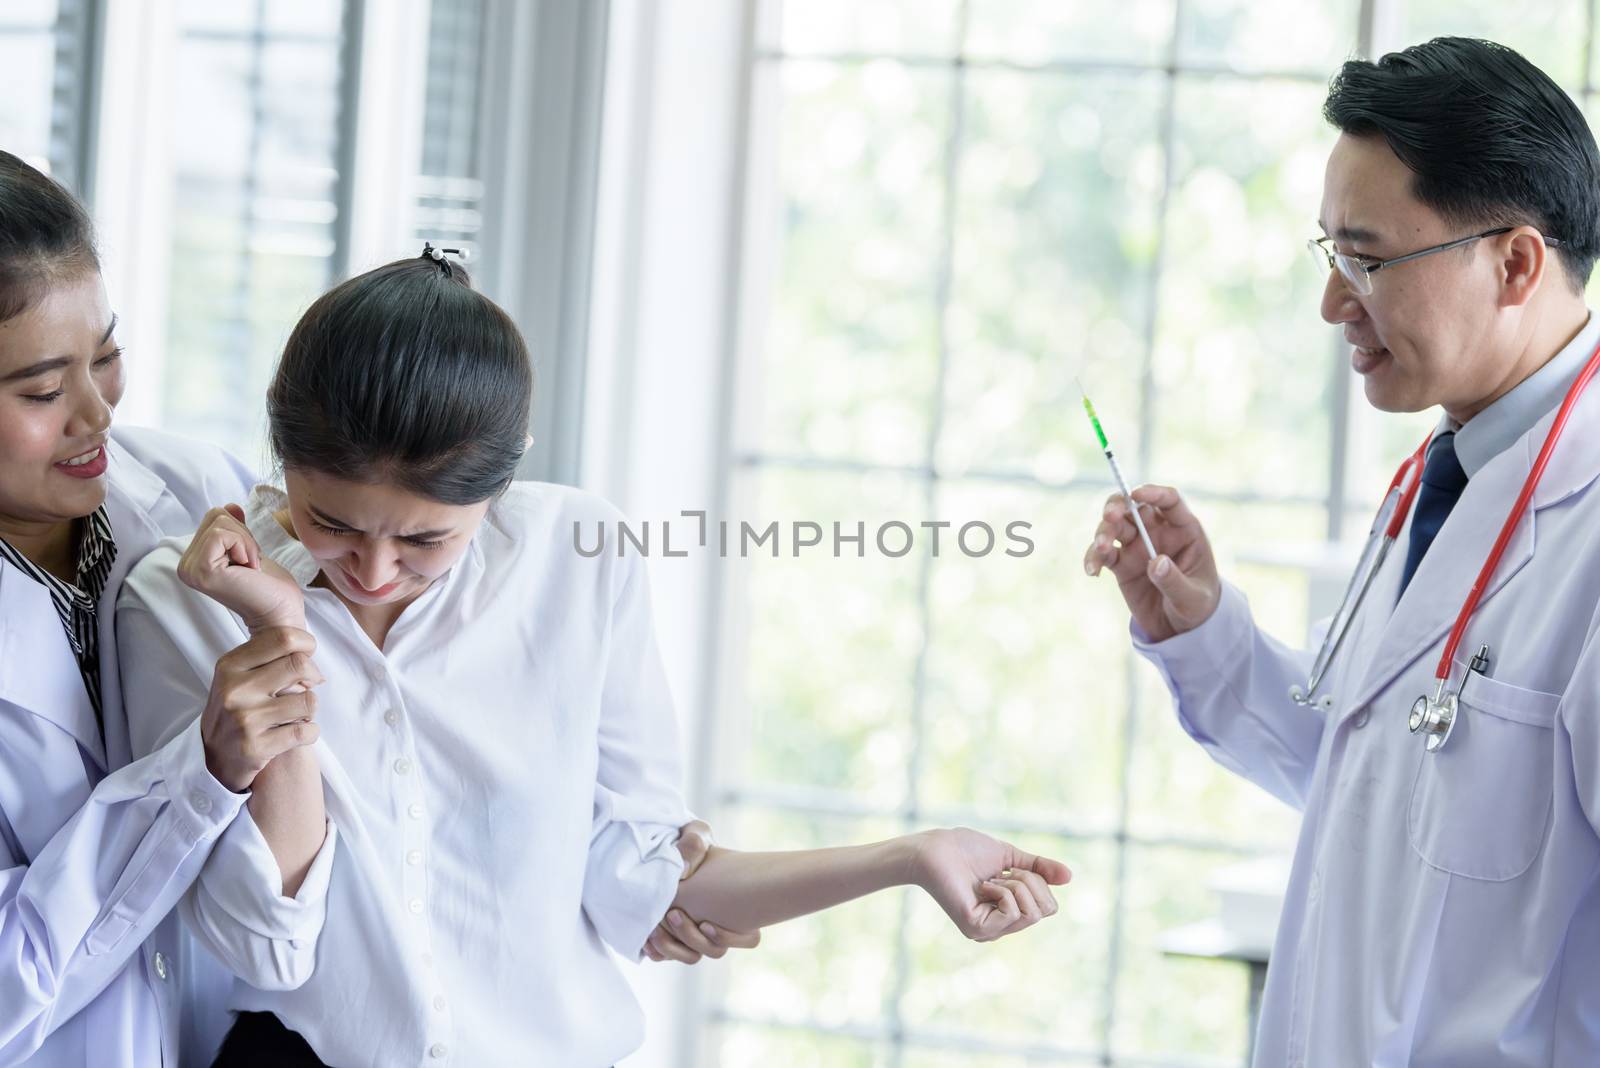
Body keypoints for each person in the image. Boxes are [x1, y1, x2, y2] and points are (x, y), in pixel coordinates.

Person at [119, 249, 1072, 1066]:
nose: (373, 570)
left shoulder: (578, 559)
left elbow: (647, 877)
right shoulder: (187, 597)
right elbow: (263, 944)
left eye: (426, 541)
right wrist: (279, 635)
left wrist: (908, 858)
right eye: (332, 522)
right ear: (279, 453)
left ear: (506, 477)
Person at [1086, 37, 1600, 1066]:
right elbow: (1367, 767)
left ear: (1512, 262)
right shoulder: (1434, 478)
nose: (1332, 305)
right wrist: (1203, 629)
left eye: (1364, 259)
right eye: (1328, 254)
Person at [0, 149, 267, 1066]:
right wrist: (201, 777)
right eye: (41, 390)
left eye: (105, 356)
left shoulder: (196, 486)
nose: (97, 413)